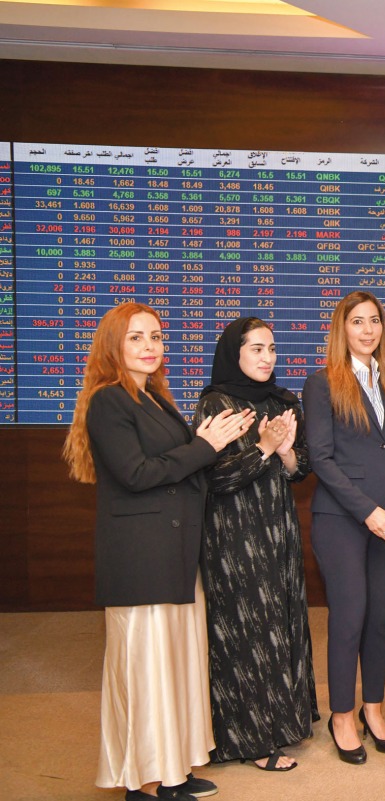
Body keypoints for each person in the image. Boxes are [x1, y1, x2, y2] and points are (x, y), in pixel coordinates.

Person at [62, 302, 252, 801]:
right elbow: (137, 474)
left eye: (156, 337)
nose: (150, 347)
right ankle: (144, 783)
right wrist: (206, 445)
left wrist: (229, 447)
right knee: (146, 671)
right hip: (141, 556)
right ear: (113, 347)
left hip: (174, 552)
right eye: (136, 338)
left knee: (176, 665)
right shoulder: (109, 401)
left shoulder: (155, 398)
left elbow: (185, 468)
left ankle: (173, 768)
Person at [303, 291, 385, 765]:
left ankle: (373, 708)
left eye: (375, 321)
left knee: (378, 619)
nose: (368, 330)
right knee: (349, 617)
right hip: (343, 521)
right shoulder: (322, 382)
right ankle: (342, 716)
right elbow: (322, 459)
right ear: (342, 329)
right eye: (358, 322)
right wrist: (367, 510)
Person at [194, 317, 316, 771]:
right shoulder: (217, 403)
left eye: (271, 349)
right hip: (235, 534)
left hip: (277, 524)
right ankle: (250, 739)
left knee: (280, 620)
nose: (268, 358)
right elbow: (216, 478)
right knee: (247, 630)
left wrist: (284, 452)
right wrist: (263, 448)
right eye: (257, 349)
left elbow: (299, 468)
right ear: (235, 353)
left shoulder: (281, 401)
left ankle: (284, 721)